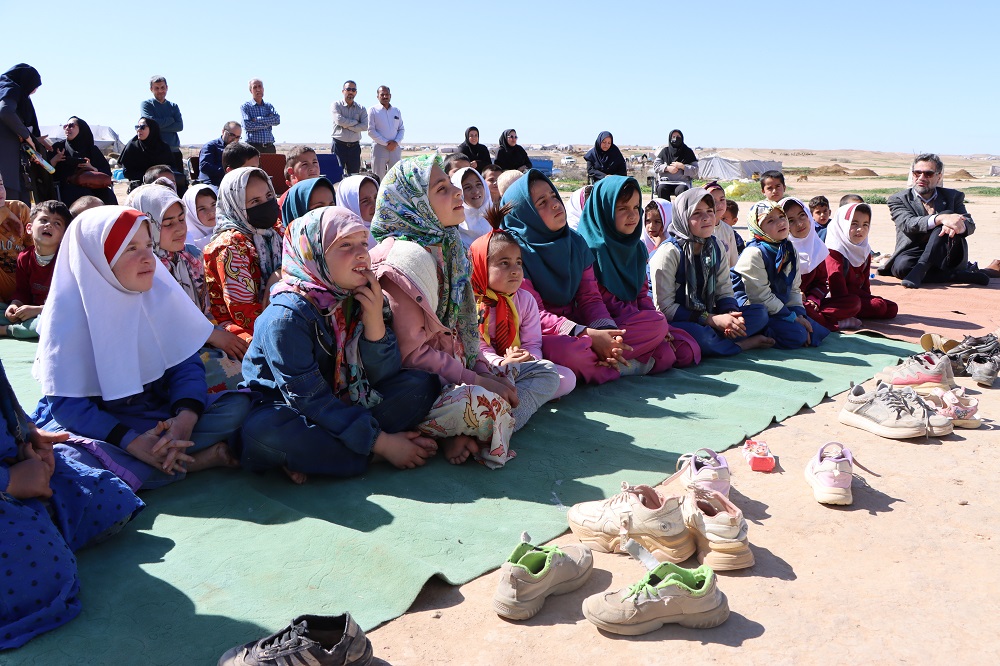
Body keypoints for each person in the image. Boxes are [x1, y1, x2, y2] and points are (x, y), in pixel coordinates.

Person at [32, 206, 251, 491]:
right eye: (130, 248)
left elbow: (185, 365)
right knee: (70, 461)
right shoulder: (66, 316)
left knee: (239, 406)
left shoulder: (155, 293)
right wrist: (132, 442)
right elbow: (69, 407)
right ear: (98, 260)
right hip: (109, 429)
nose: (148, 257)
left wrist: (185, 417)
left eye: (148, 245)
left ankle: (167, 458)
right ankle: (193, 461)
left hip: (163, 416)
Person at [240, 207, 441, 483]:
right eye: (345, 245)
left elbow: (385, 376)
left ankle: (318, 457)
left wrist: (374, 323)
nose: (361, 254)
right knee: (263, 432)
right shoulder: (286, 317)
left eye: (362, 243)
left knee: (420, 385)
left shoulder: (355, 296)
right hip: (295, 411)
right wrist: (382, 444)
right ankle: (366, 455)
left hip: (342, 400)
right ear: (314, 254)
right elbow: (309, 400)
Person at [371, 155, 517, 468]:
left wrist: (483, 369)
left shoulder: (447, 245)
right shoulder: (405, 261)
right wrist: (475, 379)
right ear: (416, 205)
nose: (457, 193)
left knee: (532, 375)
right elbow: (413, 356)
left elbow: (463, 331)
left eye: (452, 185)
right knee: (488, 406)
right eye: (441, 189)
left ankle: (469, 430)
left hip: (453, 373)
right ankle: (465, 430)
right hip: (420, 386)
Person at [0, 357, 144, 650]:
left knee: (109, 500)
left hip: (15, 461)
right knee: (40, 579)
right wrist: (10, 482)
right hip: (8, 479)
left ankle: (41, 519)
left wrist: (30, 435)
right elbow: (69, 405)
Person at [500, 169, 626, 385]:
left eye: (554, 196)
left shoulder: (575, 242)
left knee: (653, 325)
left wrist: (607, 335)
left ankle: (607, 357)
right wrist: (585, 333)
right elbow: (535, 315)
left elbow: (590, 298)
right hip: (539, 335)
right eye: (541, 203)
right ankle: (614, 365)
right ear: (525, 213)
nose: (556, 204)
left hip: (578, 326)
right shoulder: (515, 252)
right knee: (570, 351)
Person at [127, 185, 250, 390]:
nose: (180, 229)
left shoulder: (190, 257)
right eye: (167, 223)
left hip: (203, 340)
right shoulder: (142, 267)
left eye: (181, 219)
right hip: (169, 358)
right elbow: (156, 328)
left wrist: (214, 333)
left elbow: (204, 312)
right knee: (236, 383)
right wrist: (209, 335)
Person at [576, 175, 700, 375]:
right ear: (604, 210)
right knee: (659, 333)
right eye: (623, 209)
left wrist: (656, 322)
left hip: (635, 323)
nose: (633, 216)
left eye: (636, 208)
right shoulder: (588, 248)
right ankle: (607, 364)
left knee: (682, 350)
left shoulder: (637, 248)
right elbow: (592, 302)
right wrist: (652, 326)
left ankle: (612, 367)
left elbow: (642, 295)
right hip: (602, 326)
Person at [469, 210, 569, 426]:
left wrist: (526, 357)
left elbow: (533, 342)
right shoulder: (472, 304)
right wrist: (502, 362)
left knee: (566, 378)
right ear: (479, 267)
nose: (515, 270)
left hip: (519, 368)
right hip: (484, 369)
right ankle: (510, 415)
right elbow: (477, 347)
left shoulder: (524, 300)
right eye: (504, 263)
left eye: (518, 263)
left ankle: (507, 408)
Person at [650, 189, 773, 356]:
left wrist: (730, 315)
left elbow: (724, 288)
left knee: (760, 314)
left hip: (710, 313)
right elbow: (665, 308)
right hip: (679, 318)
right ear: (682, 217)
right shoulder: (669, 252)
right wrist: (712, 320)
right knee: (701, 336)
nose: (706, 218)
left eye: (709, 211)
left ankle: (721, 338)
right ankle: (741, 345)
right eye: (697, 213)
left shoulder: (715, 246)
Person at [881, 154, 990, 288]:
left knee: (949, 216)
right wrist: (940, 218)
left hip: (947, 250)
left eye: (928, 174)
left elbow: (970, 224)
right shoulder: (898, 199)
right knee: (901, 268)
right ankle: (958, 276)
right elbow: (907, 223)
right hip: (913, 250)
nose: (921, 178)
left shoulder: (953, 196)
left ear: (939, 177)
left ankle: (921, 268)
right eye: (917, 173)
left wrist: (957, 225)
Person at [732, 201, 830, 348]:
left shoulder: (789, 250)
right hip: (751, 308)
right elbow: (760, 297)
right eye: (770, 220)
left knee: (815, 330)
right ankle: (758, 337)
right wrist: (792, 318)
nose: (780, 223)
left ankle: (780, 328)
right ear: (759, 229)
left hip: (775, 307)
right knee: (798, 334)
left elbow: (794, 289)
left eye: (781, 217)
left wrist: (799, 314)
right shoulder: (754, 253)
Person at [204, 167, 283, 343]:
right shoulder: (229, 248)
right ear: (236, 205)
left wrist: (278, 275)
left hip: (279, 315)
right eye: (255, 201)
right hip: (241, 327)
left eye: (269, 196)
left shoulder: (275, 232)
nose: (266, 204)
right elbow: (245, 315)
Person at [1, 200, 70, 339]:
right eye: (44, 220)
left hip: (57, 313)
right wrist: (15, 305)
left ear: (64, 235)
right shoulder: (24, 257)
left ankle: (8, 330)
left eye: (57, 223)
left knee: (51, 322)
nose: (49, 225)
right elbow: (22, 291)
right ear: (29, 228)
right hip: (29, 312)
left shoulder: (67, 259)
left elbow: (70, 303)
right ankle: (20, 326)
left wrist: (39, 310)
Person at [824, 202, 898, 325]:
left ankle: (854, 311)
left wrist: (868, 298)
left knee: (891, 308)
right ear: (843, 224)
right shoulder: (834, 251)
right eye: (854, 224)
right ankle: (837, 318)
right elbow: (837, 290)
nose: (860, 229)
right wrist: (866, 302)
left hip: (855, 296)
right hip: (836, 298)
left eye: (865, 224)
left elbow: (865, 284)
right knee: (870, 305)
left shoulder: (864, 249)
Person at [780, 196, 840, 330]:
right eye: (791, 221)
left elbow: (822, 282)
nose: (800, 224)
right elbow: (776, 286)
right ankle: (832, 323)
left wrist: (814, 298)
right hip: (790, 303)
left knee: (853, 303)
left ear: (808, 216)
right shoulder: (781, 251)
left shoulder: (817, 246)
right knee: (804, 310)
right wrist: (796, 296)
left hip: (813, 302)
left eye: (802, 216)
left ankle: (819, 319)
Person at [0, 64, 51, 205]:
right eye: (33, 86)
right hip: (7, 173)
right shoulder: (11, 89)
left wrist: (34, 138)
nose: (34, 91)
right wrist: (28, 137)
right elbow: (5, 111)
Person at [48, 117, 115, 206]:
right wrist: (55, 159)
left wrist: (92, 168)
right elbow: (45, 171)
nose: (67, 128)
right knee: (84, 197)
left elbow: (107, 173)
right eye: (65, 126)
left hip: (93, 185)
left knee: (108, 195)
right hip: (67, 188)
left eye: (71, 125)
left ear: (81, 129)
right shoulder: (58, 147)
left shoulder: (92, 150)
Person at [139, 76, 184, 171]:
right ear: (151, 89)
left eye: (162, 87)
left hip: (173, 151)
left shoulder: (173, 106)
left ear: (167, 88)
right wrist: (170, 120)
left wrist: (157, 125)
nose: (160, 91)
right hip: (155, 152)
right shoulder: (147, 105)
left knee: (179, 182)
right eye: (157, 88)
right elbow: (150, 124)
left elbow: (179, 126)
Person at [119, 118, 174, 191]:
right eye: (137, 127)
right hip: (139, 187)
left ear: (152, 129)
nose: (139, 130)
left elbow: (171, 168)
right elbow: (127, 172)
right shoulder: (132, 146)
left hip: (163, 186)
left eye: (142, 127)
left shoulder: (163, 148)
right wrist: (149, 177)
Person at [0, 172, 31, 302]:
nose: (0, 190)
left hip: (27, 281)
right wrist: (4, 213)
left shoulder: (18, 208)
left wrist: (8, 212)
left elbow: (38, 250)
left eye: (1, 184)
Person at [331, 80, 368, 174]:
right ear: (343, 91)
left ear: (356, 92)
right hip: (339, 146)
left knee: (354, 176)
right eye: (348, 89)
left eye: (353, 89)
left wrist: (348, 126)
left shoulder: (361, 108)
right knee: (336, 174)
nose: (351, 92)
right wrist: (355, 122)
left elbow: (365, 126)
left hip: (354, 147)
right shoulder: (336, 105)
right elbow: (339, 120)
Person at [367, 86, 404, 179]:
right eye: (382, 94)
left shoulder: (396, 111)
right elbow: (371, 131)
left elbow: (401, 129)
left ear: (390, 96)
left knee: (395, 178)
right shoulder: (373, 110)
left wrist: (395, 142)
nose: (384, 96)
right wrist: (386, 143)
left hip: (395, 149)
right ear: (377, 96)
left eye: (386, 94)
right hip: (379, 148)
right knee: (378, 177)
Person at [451, 166, 493, 248]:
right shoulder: (452, 229)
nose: (476, 191)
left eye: (478, 185)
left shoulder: (499, 218)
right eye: (467, 187)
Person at [652, 129, 697, 200]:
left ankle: (680, 210)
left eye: (678, 136)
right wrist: (667, 168)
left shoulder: (688, 152)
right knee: (661, 189)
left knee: (682, 190)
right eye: (673, 136)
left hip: (682, 182)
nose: (676, 139)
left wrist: (683, 167)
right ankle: (665, 210)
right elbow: (656, 166)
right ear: (670, 138)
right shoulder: (664, 151)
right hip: (665, 182)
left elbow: (695, 170)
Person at [337, 174, 379, 248]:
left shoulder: (390, 227)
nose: (375, 205)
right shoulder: (343, 241)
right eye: (365, 201)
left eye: (376, 197)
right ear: (349, 205)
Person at [241, 78, 280, 154]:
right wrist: (268, 123)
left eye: (260, 86)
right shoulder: (245, 107)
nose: (258, 89)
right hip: (253, 147)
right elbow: (247, 126)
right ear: (251, 91)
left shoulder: (269, 106)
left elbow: (277, 120)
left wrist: (258, 119)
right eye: (255, 87)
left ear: (263, 89)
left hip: (269, 147)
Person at [705, 181, 738, 268]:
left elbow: (733, 260)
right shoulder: (701, 229)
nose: (719, 205)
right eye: (712, 200)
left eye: (722, 199)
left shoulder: (728, 230)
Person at [198, 122, 242, 187]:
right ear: (223, 131)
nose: (234, 139)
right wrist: (228, 172)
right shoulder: (210, 146)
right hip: (212, 182)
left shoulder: (239, 149)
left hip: (232, 183)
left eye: (238, 137)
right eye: (232, 135)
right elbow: (205, 166)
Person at [182, 183, 218, 251]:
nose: (211, 212)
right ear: (191, 214)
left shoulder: (230, 231)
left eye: (213, 205)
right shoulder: (186, 245)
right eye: (202, 209)